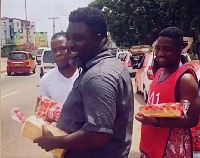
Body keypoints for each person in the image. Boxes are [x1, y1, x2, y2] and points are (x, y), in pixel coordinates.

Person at [33, 7, 134, 158]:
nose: (70, 44)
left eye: (79, 38)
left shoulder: (98, 77)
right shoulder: (109, 65)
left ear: (98, 40)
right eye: (69, 38)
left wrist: (56, 142)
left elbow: (97, 135)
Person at [135, 27, 199, 158]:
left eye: (166, 49)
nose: (160, 53)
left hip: (171, 151)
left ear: (179, 50)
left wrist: (156, 122)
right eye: (157, 48)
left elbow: (191, 119)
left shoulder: (185, 79)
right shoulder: (159, 73)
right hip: (151, 147)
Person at [38, 31, 79, 106]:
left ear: (71, 48)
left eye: (62, 48)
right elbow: (41, 112)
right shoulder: (46, 80)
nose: (58, 53)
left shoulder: (84, 74)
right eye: (54, 50)